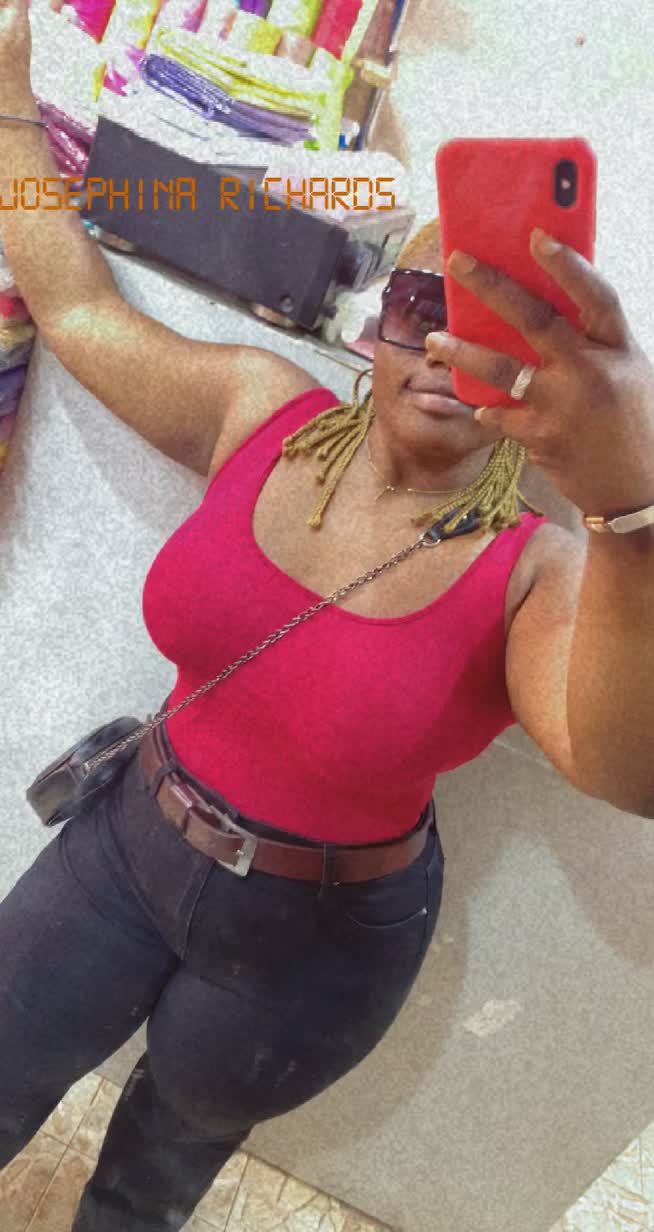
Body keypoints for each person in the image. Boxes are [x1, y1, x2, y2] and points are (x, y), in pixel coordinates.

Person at [2, 2, 654, 1230]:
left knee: (143, 1190)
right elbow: (79, 310)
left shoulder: (542, 566)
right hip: (128, 841)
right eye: (422, 302)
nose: (447, 345)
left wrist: (635, 508)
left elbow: (632, 771)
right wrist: (5, 110)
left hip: (313, 944)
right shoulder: (263, 409)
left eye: (497, 328)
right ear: (375, 322)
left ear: (547, 370)